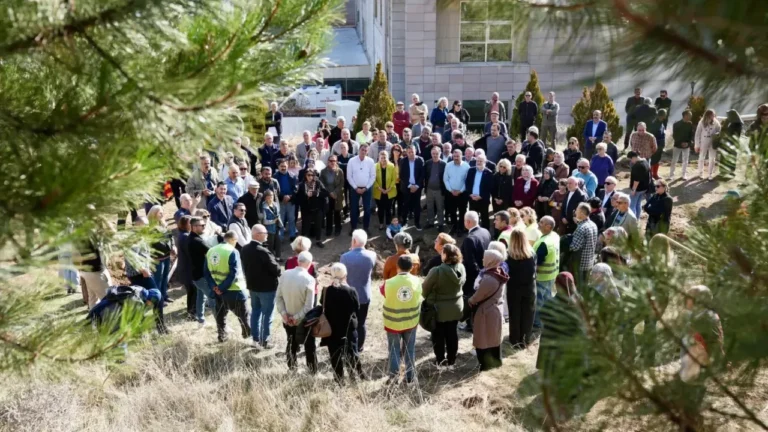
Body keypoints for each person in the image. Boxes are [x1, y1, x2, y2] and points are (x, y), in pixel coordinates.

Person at [380, 255, 422, 385]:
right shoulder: (417, 281)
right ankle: (410, 378)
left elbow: (383, 292)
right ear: (412, 267)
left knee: (394, 349)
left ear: (397, 266)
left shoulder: (389, 283)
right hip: (411, 322)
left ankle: (393, 378)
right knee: (410, 349)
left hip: (393, 322)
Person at [321, 263, 365, 382]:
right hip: (348, 328)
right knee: (353, 353)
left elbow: (322, 304)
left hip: (332, 328)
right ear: (345, 275)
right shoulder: (351, 291)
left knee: (335, 355)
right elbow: (357, 307)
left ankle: (339, 379)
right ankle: (356, 375)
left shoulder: (326, 291)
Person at [275, 251, 317, 373]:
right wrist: (296, 317)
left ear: (298, 261)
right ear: (310, 264)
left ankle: (292, 368)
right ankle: (312, 371)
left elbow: (278, 297)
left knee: (291, 343)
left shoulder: (285, 274)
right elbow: (309, 306)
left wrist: (284, 314)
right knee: (309, 345)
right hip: (303, 320)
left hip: (287, 319)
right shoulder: (309, 279)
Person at [241, 224, 282, 348]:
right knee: (267, 314)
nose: (267, 235)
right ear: (258, 235)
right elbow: (276, 269)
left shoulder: (245, 248)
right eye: (265, 233)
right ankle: (265, 341)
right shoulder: (263, 251)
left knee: (255, 312)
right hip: (267, 288)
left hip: (252, 286)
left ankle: (255, 339)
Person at [205, 231, 250, 342]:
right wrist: (222, 287)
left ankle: (222, 336)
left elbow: (206, 272)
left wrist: (215, 287)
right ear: (233, 240)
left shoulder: (210, 251)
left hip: (217, 291)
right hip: (235, 290)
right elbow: (234, 273)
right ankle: (249, 336)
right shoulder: (232, 251)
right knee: (244, 317)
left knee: (221, 316)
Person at [469, 250, 508, 370]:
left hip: (485, 312)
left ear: (491, 260)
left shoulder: (489, 278)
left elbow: (477, 297)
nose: (482, 260)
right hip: (495, 309)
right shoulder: (499, 272)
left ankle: (485, 365)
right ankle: (497, 361)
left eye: (484, 257)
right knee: (494, 338)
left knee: (482, 338)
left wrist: (469, 301)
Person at [340, 230, 377, 352]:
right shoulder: (372, 255)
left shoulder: (345, 257)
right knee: (361, 323)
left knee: (348, 322)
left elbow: (342, 276)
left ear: (354, 241)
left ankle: (348, 346)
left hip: (348, 295)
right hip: (364, 294)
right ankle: (359, 347)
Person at [88, 285, 165, 339]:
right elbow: (137, 320)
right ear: (150, 297)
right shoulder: (138, 301)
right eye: (152, 301)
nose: (151, 305)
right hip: (108, 313)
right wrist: (143, 334)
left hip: (104, 307)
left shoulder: (140, 290)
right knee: (113, 334)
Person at [503, 228, 537, 347]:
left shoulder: (507, 255)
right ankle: (525, 338)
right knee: (528, 313)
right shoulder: (531, 253)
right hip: (529, 287)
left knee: (514, 313)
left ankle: (515, 339)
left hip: (513, 288)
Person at [460, 211, 491, 332]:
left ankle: (471, 324)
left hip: (474, 276)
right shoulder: (486, 231)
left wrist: (479, 275)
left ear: (468, 222)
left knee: (471, 300)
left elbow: (470, 262)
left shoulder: (469, 239)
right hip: (485, 270)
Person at [532, 216, 559, 327]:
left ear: (548, 227)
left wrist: (532, 276)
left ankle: (538, 323)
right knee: (547, 299)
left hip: (542, 277)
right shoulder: (555, 236)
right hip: (552, 275)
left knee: (539, 301)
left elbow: (537, 263)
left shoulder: (544, 243)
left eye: (541, 222)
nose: (539, 223)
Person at [146, 206, 175, 304]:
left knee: (165, 277)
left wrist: (173, 246)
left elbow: (170, 236)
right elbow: (154, 243)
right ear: (154, 214)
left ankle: (164, 295)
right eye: (160, 213)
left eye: (162, 212)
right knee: (158, 278)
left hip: (166, 256)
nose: (162, 215)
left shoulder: (163, 224)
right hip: (157, 257)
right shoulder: (149, 228)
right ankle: (159, 299)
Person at [347, 144, 376, 234]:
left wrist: (366, 188)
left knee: (367, 209)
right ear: (359, 150)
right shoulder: (351, 160)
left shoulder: (370, 161)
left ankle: (366, 228)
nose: (363, 152)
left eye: (365, 150)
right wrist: (356, 188)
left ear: (367, 152)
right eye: (362, 149)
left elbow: (373, 176)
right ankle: (353, 228)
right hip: (354, 189)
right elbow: (349, 176)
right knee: (353, 209)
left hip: (367, 189)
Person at [296, 168, 327, 248]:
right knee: (305, 226)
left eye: (312, 175)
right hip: (306, 209)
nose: (310, 177)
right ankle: (303, 243)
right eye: (308, 175)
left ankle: (318, 240)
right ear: (305, 175)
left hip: (317, 208)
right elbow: (298, 197)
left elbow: (325, 193)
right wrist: (305, 196)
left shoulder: (318, 183)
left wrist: (315, 193)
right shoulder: (301, 184)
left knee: (318, 225)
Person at [569, 203, 599, 287]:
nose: (575, 212)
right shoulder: (593, 225)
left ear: (582, 213)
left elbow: (574, 247)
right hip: (589, 262)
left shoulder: (581, 228)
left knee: (577, 287)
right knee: (584, 287)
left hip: (580, 264)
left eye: (577, 210)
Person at [443, 149, 470, 235]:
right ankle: (454, 227)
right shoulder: (448, 165)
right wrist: (451, 190)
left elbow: (467, 181)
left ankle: (461, 228)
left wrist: (460, 191)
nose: (456, 158)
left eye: (458, 156)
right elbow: (445, 179)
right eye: (454, 156)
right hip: (451, 193)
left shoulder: (466, 166)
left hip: (462, 193)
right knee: (452, 211)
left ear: (461, 156)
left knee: (462, 212)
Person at [175, 216, 196, 320]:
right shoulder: (185, 237)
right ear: (184, 225)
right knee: (193, 291)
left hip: (186, 268)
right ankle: (192, 313)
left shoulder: (183, 235)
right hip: (188, 269)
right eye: (190, 223)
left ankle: (191, 312)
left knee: (191, 291)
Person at [319, 155, 345, 237]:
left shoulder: (340, 171)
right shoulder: (323, 172)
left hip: (337, 196)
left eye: (334, 161)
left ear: (336, 161)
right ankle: (329, 229)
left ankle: (338, 228)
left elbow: (341, 183)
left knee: (337, 213)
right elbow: (321, 184)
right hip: (328, 195)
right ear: (328, 161)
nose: (332, 162)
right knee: (328, 213)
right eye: (331, 161)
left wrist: (335, 192)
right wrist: (330, 193)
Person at [372, 150, 397, 231]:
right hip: (379, 191)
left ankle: (388, 224)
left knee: (388, 209)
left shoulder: (392, 166)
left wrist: (388, 189)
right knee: (380, 209)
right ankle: (381, 223)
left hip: (390, 191)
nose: (383, 159)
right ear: (379, 158)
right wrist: (380, 189)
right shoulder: (375, 166)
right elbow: (373, 179)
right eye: (382, 158)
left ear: (387, 158)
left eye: (385, 157)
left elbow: (394, 179)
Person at [466, 154, 493, 229]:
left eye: (481, 161)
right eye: (477, 161)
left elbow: (489, 187)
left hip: (483, 199)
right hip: (472, 198)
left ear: (485, 162)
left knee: (484, 218)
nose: (479, 162)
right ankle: (473, 231)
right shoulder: (471, 170)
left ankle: (485, 232)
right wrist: (470, 194)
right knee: (473, 218)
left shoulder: (489, 173)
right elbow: (467, 183)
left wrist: (481, 196)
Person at [695, 109, 722, 181]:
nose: (713, 116)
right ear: (708, 115)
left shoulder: (716, 122)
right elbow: (697, 134)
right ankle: (700, 173)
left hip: (712, 140)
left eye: (714, 115)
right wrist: (697, 145)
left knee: (712, 158)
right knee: (701, 157)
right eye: (712, 115)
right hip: (704, 140)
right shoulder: (701, 122)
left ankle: (710, 174)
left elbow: (719, 130)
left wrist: (717, 134)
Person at [424, 146, 447, 230]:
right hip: (429, 189)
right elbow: (425, 175)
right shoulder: (427, 163)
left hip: (439, 190)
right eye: (433, 153)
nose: (435, 155)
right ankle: (430, 222)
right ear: (431, 154)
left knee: (440, 207)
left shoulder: (444, 164)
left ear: (440, 153)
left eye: (437, 153)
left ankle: (440, 224)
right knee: (429, 206)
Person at [628, 150, 652, 218]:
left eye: (630, 159)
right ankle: (637, 219)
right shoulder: (645, 162)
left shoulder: (637, 166)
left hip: (637, 189)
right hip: (644, 188)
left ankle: (632, 220)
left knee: (632, 205)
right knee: (638, 204)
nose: (631, 161)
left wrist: (633, 190)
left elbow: (636, 180)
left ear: (634, 157)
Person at [649, 109, 668, 180]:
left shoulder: (661, 123)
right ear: (662, 115)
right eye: (665, 115)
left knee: (657, 160)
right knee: (652, 160)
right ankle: (650, 176)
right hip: (655, 145)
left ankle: (655, 174)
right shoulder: (654, 124)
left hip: (660, 145)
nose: (665, 116)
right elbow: (651, 136)